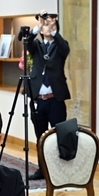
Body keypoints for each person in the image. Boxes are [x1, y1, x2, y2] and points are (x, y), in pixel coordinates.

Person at [24, 11, 70, 176]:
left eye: (51, 24)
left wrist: (53, 30)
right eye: (45, 25)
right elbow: (27, 42)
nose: (47, 27)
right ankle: (42, 168)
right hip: (38, 99)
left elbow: (65, 48)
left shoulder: (60, 46)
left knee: (59, 135)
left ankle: (59, 168)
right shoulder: (36, 46)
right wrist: (38, 27)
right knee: (41, 136)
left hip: (55, 99)